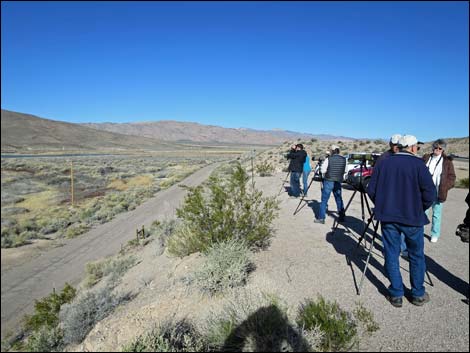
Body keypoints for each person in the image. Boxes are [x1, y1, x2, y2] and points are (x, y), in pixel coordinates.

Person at [367, 135, 436, 308]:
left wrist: (384, 205)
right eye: (417, 147)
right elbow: (430, 194)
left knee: (391, 253)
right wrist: (419, 208)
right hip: (412, 218)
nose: (417, 150)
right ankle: (417, 294)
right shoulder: (418, 164)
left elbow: (371, 190)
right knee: (416, 255)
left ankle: (396, 294)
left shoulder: (384, 162)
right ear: (411, 147)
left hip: (389, 217)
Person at [422, 139, 456, 243]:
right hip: (425, 191)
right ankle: (420, 231)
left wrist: (445, 187)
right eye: (435, 147)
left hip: (438, 192)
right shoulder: (426, 158)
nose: (437, 149)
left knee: (436, 215)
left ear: (443, 149)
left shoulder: (447, 161)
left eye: (440, 148)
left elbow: (452, 177)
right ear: (433, 148)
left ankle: (435, 234)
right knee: (423, 213)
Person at [315, 144, 346, 224]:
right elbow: (344, 170)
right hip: (338, 181)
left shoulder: (329, 159)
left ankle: (321, 218)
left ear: (332, 151)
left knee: (324, 200)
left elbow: (323, 170)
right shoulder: (344, 159)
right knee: (339, 199)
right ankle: (342, 216)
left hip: (329, 180)